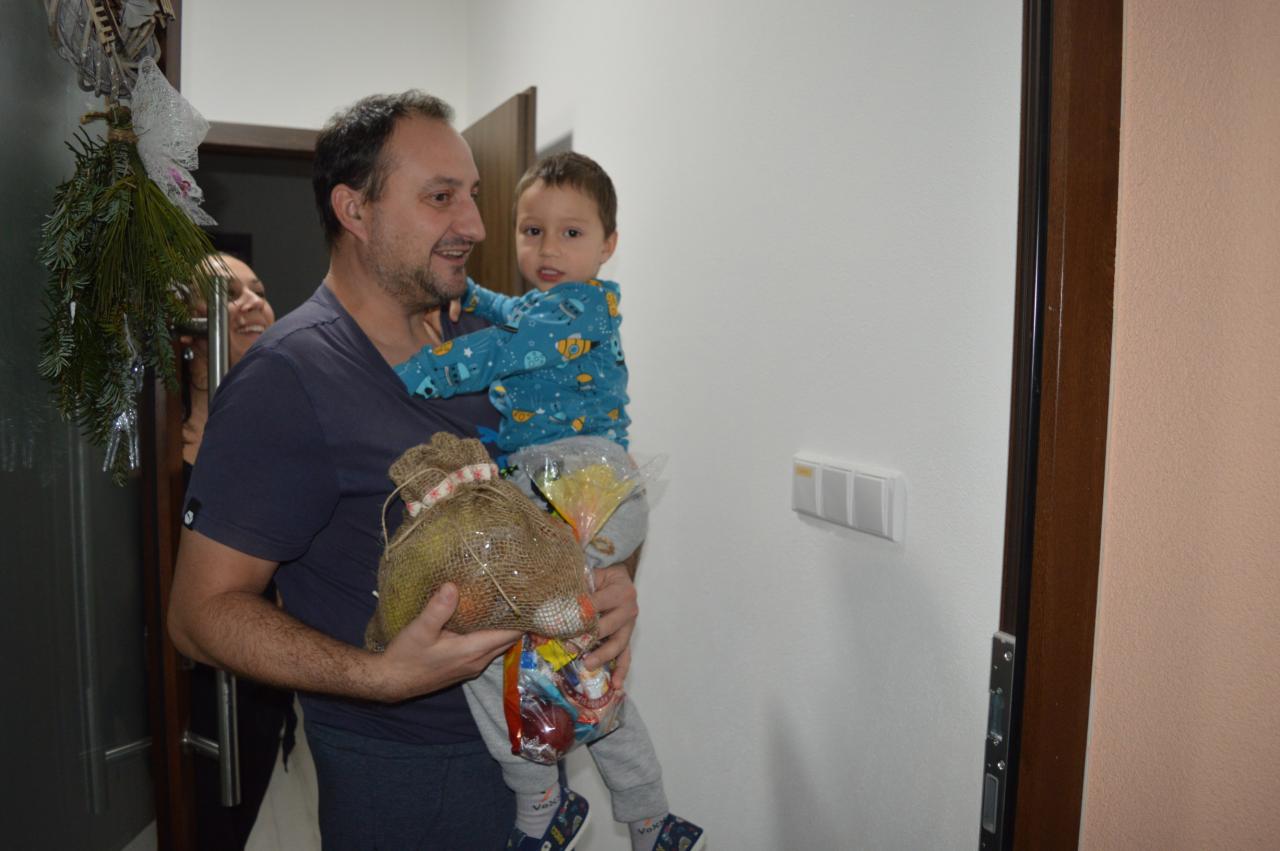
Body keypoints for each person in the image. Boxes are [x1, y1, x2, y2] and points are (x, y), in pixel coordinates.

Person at [166, 91, 640, 851]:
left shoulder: (491, 334)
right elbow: (199, 615)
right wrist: (379, 675)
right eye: (440, 197)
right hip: (410, 773)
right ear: (355, 210)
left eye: (473, 196)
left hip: (542, 732)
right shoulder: (286, 380)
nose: (475, 225)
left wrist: (612, 581)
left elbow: (587, 480)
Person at [396, 152, 704, 851]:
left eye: (571, 233)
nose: (547, 249)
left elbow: (499, 353)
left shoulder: (583, 306)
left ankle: (554, 800)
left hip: (580, 481)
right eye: (532, 231)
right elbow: (516, 314)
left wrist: (410, 373)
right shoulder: (549, 304)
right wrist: (475, 295)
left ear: (608, 244)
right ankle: (642, 817)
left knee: (518, 651)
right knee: (568, 667)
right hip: (553, 486)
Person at [179, 251, 297, 851]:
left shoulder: (289, 430)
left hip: (265, 692)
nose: (252, 303)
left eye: (258, 290)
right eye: (228, 294)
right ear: (188, 330)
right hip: (187, 703)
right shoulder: (154, 449)